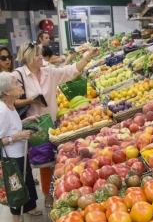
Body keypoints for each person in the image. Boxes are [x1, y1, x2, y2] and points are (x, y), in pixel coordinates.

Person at [14, 42, 99, 207]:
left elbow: (70, 71)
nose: (41, 57)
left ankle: (57, 191)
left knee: (57, 160)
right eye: (38, 55)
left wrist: (87, 57)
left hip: (53, 124)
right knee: (43, 163)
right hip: (33, 127)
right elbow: (11, 101)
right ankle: (45, 196)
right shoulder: (18, 76)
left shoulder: (48, 73)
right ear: (28, 57)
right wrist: (30, 100)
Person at [0, 72, 41, 222]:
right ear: (6, 91)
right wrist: (17, 137)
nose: (20, 84)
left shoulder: (9, 107)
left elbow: (11, 128)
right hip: (11, 161)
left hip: (20, 157)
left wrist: (25, 121)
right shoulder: (1, 111)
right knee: (16, 196)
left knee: (25, 192)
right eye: (16, 82)